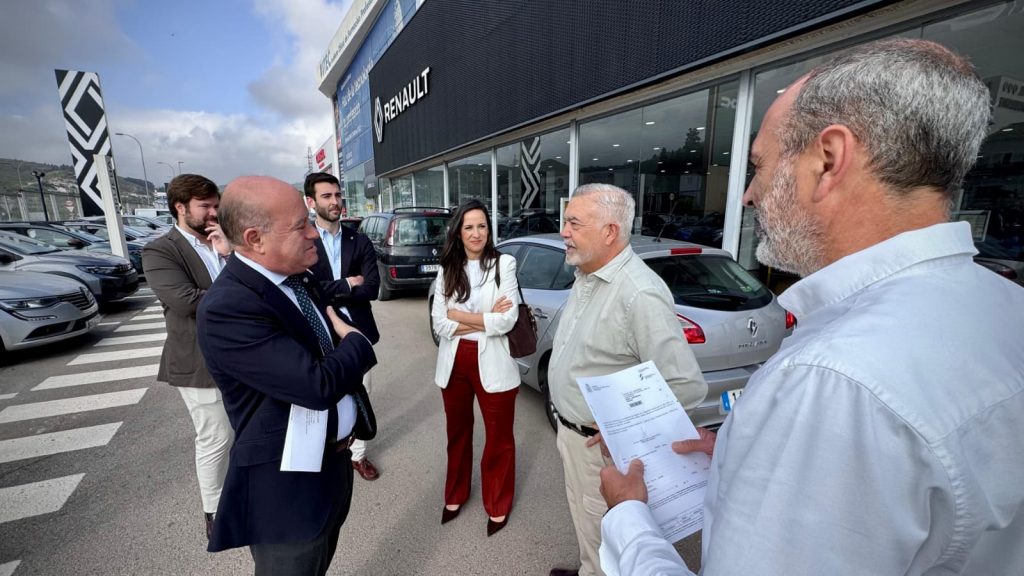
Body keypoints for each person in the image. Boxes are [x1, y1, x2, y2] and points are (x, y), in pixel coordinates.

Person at [598, 38, 1024, 576]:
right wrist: (733, 455)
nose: (749, 195)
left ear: (828, 160)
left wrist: (630, 518)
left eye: (759, 166)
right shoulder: (1007, 305)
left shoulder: (829, 383)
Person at [197, 176, 377, 576]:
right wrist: (359, 344)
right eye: (301, 225)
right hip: (287, 493)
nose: (314, 232)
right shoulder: (228, 308)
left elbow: (325, 349)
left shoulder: (298, 276)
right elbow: (317, 384)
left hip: (333, 464)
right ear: (255, 238)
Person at [547, 183, 707, 576]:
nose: (564, 232)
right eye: (565, 221)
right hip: (572, 435)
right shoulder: (588, 273)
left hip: (603, 450)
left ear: (609, 232)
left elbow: (685, 384)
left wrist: (625, 426)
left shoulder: (639, 293)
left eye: (574, 223)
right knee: (590, 528)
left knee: (611, 540)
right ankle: (588, 567)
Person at [141, 173, 233, 539]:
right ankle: (214, 512)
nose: (214, 212)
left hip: (238, 356)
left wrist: (229, 255)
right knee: (215, 436)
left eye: (216, 205)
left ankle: (240, 496)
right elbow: (186, 300)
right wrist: (239, 291)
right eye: (205, 206)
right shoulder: (161, 250)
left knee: (241, 431)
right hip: (197, 361)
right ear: (180, 207)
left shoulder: (224, 243)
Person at [430, 198, 520, 537]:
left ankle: (497, 503)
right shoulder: (446, 269)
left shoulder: (503, 264)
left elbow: (507, 319)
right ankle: (455, 494)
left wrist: (461, 316)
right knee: (458, 433)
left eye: (482, 225)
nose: (476, 232)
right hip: (453, 364)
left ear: (489, 229)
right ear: (458, 231)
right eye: (469, 226)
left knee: (499, 439)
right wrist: (484, 319)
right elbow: (440, 324)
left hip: (494, 364)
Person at [304, 172, 382, 481]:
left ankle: (358, 455)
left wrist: (330, 288)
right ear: (311, 202)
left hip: (359, 331)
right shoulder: (303, 239)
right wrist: (348, 283)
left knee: (362, 394)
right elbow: (306, 290)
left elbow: (373, 287)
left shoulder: (359, 239)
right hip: (320, 332)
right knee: (324, 395)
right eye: (327, 196)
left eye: (338, 195)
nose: (335, 201)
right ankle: (325, 454)